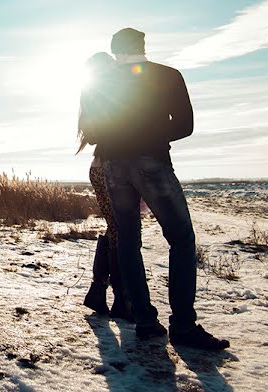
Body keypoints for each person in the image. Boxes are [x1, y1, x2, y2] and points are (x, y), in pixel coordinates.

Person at [97, 27, 229, 351]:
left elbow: (92, 127)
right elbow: (185, 125)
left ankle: (144, 321)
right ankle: (183, 327)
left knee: (128, 240)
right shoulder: (167, 75)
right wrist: (150, 135)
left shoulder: (101, 82)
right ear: (142, 46)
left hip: (113, 166)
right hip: (151, 162)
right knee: (181, 238)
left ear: (115, 51)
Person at [77, 52, 132, 320]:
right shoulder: (101, 96)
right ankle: (121, 299)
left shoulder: (95, 96)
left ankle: (99, 291)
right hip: (107, 170)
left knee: (116, 231)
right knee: (121, 233)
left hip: (106, 169)